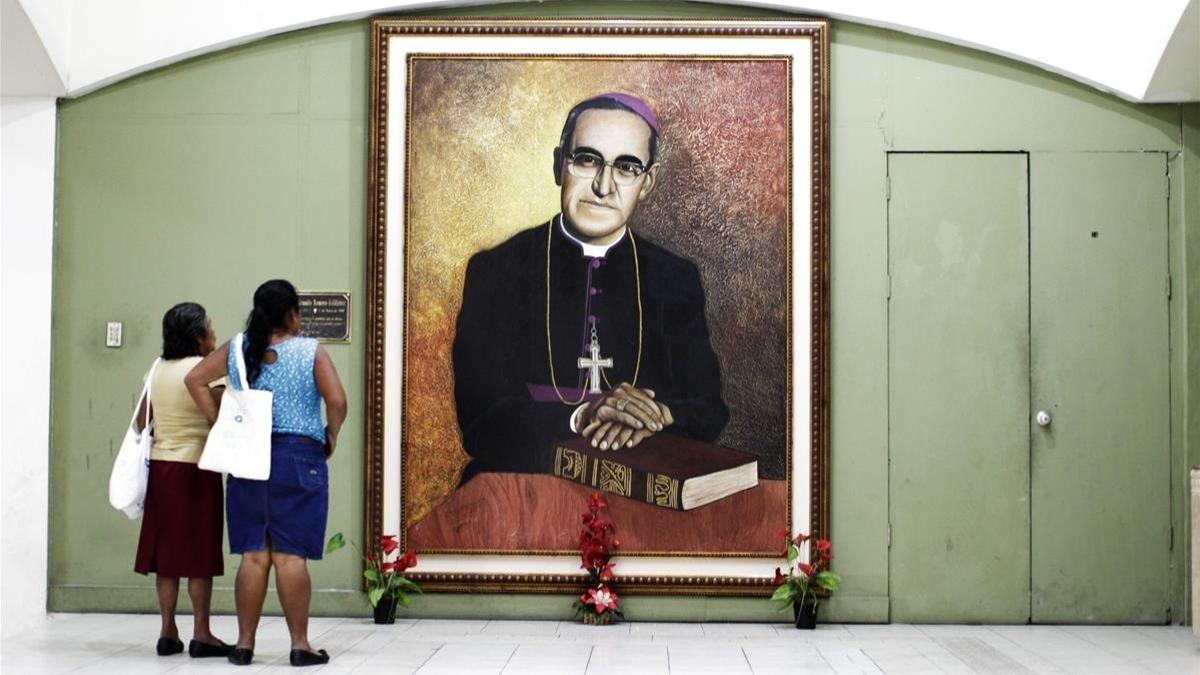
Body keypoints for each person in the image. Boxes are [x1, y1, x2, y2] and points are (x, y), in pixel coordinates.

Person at [452, 92, 728, 484]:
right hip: (519, 487)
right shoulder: (497, 270)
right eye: (587, 159)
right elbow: (480, 421)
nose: (604, 185)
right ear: (558, 165)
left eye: (627, 167)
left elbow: (709, 409)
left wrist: (653, 414)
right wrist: (584, 416)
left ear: (647, 182)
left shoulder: (674, 277)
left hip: (640, 489)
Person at [185, 279, 347, 668]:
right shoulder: (310, 351)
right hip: (299, 456)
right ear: (293, 313)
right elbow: (337, 400)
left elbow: (194, 379)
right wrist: (331, 433)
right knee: (290, 557)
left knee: (254, 556)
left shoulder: (239, 348)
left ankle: (243, 645)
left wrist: (219, 422)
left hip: (248, 456)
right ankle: (300, 644)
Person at [132, 302, 231, 658]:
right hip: (197, 469)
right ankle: (201, 632)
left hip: (161, 469)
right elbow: (220, 416)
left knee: (167, 554)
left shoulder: (156, 369)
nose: (214, 331)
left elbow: (142, 421)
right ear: (197, 335)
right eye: (210, 325)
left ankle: (167, 630)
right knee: (199, 555)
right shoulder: (205, 370)